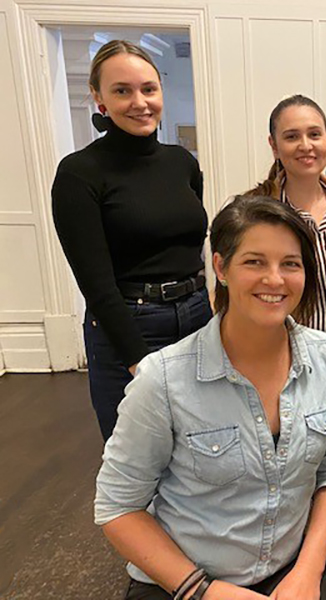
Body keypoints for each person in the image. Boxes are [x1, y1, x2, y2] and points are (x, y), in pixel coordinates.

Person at [95, 196, 326, 600]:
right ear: (220, 267)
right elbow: (118, 507)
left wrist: (309, 569)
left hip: (290, 571)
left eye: (291, 263)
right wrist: (205, 591)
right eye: (254, 262)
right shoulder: (164, 379)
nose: (275, 280)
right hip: (184, 582)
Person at [51, 40, 212, 441]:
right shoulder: (80, 174)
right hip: (130, 324)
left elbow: (192, 247)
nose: (139, 102)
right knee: (138, 456)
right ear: (98, 97)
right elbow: (96, 284)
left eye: (148, 89)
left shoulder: (182, 163)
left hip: (196, 318)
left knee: (203, 448)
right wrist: (137, 361)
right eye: (122, 90)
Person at [244, 95, 326, 473]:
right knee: (286, 464)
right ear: (273, 145)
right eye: (291, 136)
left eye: (314, 134)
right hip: (282, 361)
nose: (305, 145)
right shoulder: (252, 211)